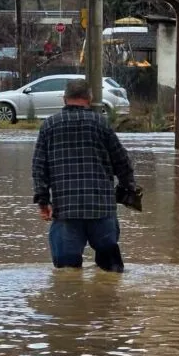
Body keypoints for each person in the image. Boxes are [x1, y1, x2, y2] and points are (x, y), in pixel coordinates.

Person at [31, 78, 137, 273]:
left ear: (64, 99)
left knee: (66, 274)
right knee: (111, 271)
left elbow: (39, 167)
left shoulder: (49, 126)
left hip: (66, 209)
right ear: (89, 98)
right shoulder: (101, 123)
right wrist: (128, 188)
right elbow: (122, 162)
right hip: (101, 208)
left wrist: (43, 201)